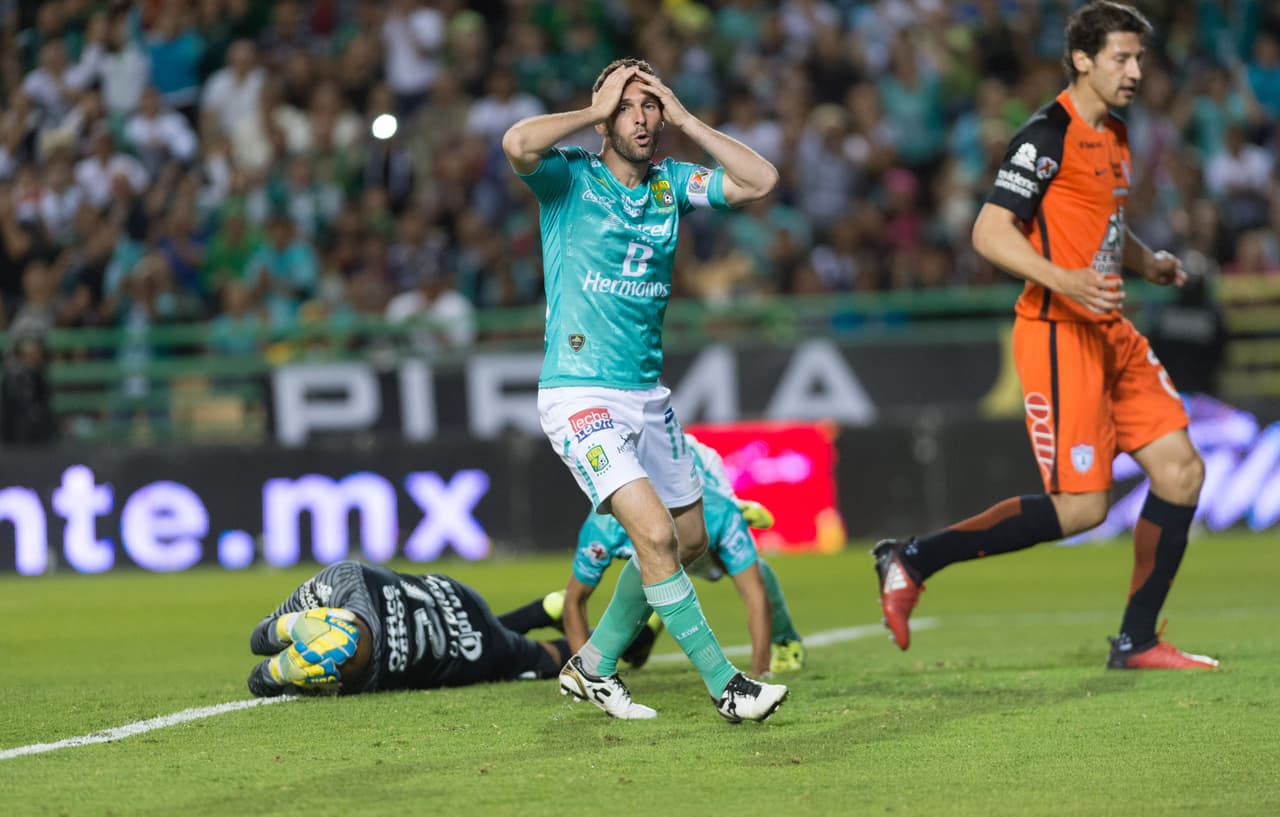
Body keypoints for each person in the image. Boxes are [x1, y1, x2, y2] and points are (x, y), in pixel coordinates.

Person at [872, 2, 1218, 671]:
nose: (1136, 71)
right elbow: (990, 233)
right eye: (1122, 57)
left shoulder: (1114, 134)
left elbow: (1101, 227)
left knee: (1181, 471)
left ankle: (1137, 640)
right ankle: (914, 556)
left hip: (1111, 328)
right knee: (1082, 508)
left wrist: (1147, 262)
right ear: (1082, 59)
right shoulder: (1043, 135)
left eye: (1140, 58)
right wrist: (1067, 280)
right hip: (1061, 333)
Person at [502, 58, 787, 721]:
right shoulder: (567, 179)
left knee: (690, 539)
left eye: (650, 105)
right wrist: (592, 111)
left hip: (647, 396)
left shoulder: (671, 184)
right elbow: (518, 143)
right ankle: (727, 685)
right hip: (580, 394)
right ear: (605, 110)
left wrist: (689, 120)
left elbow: (761, 179)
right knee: (654, 536)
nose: (640, 116)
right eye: (627, 104)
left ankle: (594, 665)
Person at [499, 434, 805, 678]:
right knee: (652, 577)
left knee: (753, 572)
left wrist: (760, 670)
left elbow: (753, 593)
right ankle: (653, 614)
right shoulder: (602, 528)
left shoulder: (715, 515)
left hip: (702, 488)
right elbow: (575, 600)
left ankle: (786, 640)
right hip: (666, 525)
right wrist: (584, 673)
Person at [245, 560, 570, 697]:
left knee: (546, 656)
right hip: (452, 593)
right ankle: (547, 608)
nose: (340, 668)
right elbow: (258, 639)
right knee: (495, 629)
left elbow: (257, 675)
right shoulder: (340, 579)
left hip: (472, 651)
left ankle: (613, 641)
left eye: (342, 665)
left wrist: (278, 671)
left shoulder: (367, 678)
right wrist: (292, 624)